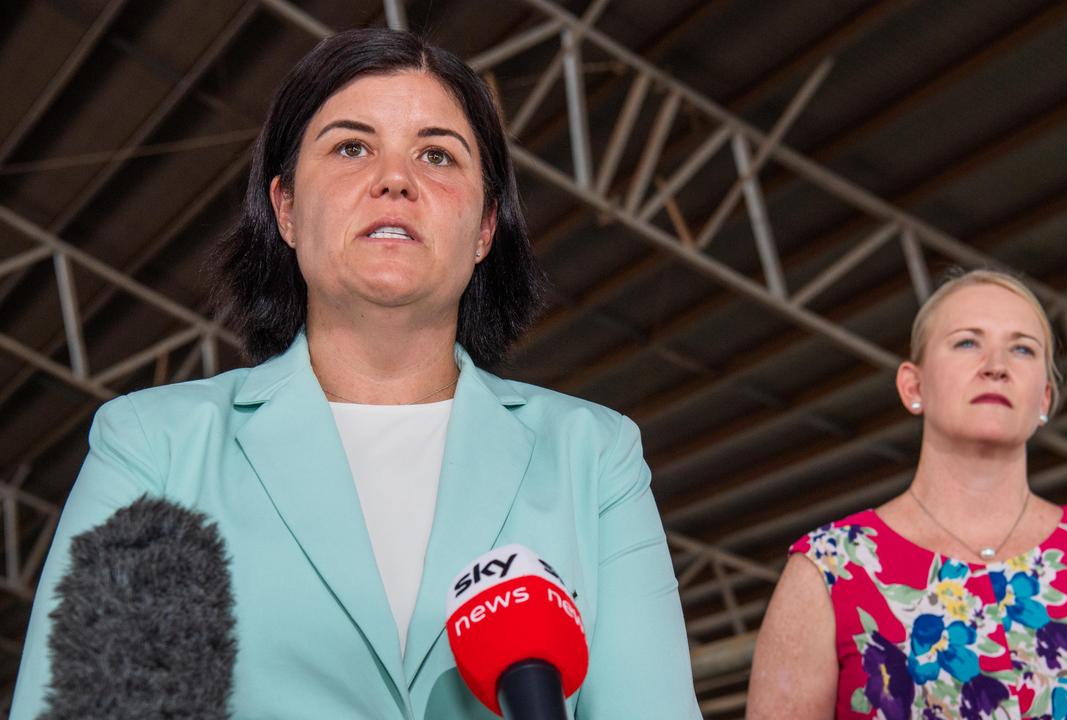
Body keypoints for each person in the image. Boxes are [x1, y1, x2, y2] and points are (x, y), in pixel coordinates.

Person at [12, 28, 701, 719]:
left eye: (437, 155)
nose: (395, 179)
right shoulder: (153, 446)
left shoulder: (594, 456)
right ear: (285, 209)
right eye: (351, 147)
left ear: (486, 227)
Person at [746, 270, 1067, 719]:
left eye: (1022, 349)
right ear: (913, 386)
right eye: (967, 342)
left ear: (1044, 399)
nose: (996, 366)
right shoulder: (829, 569)